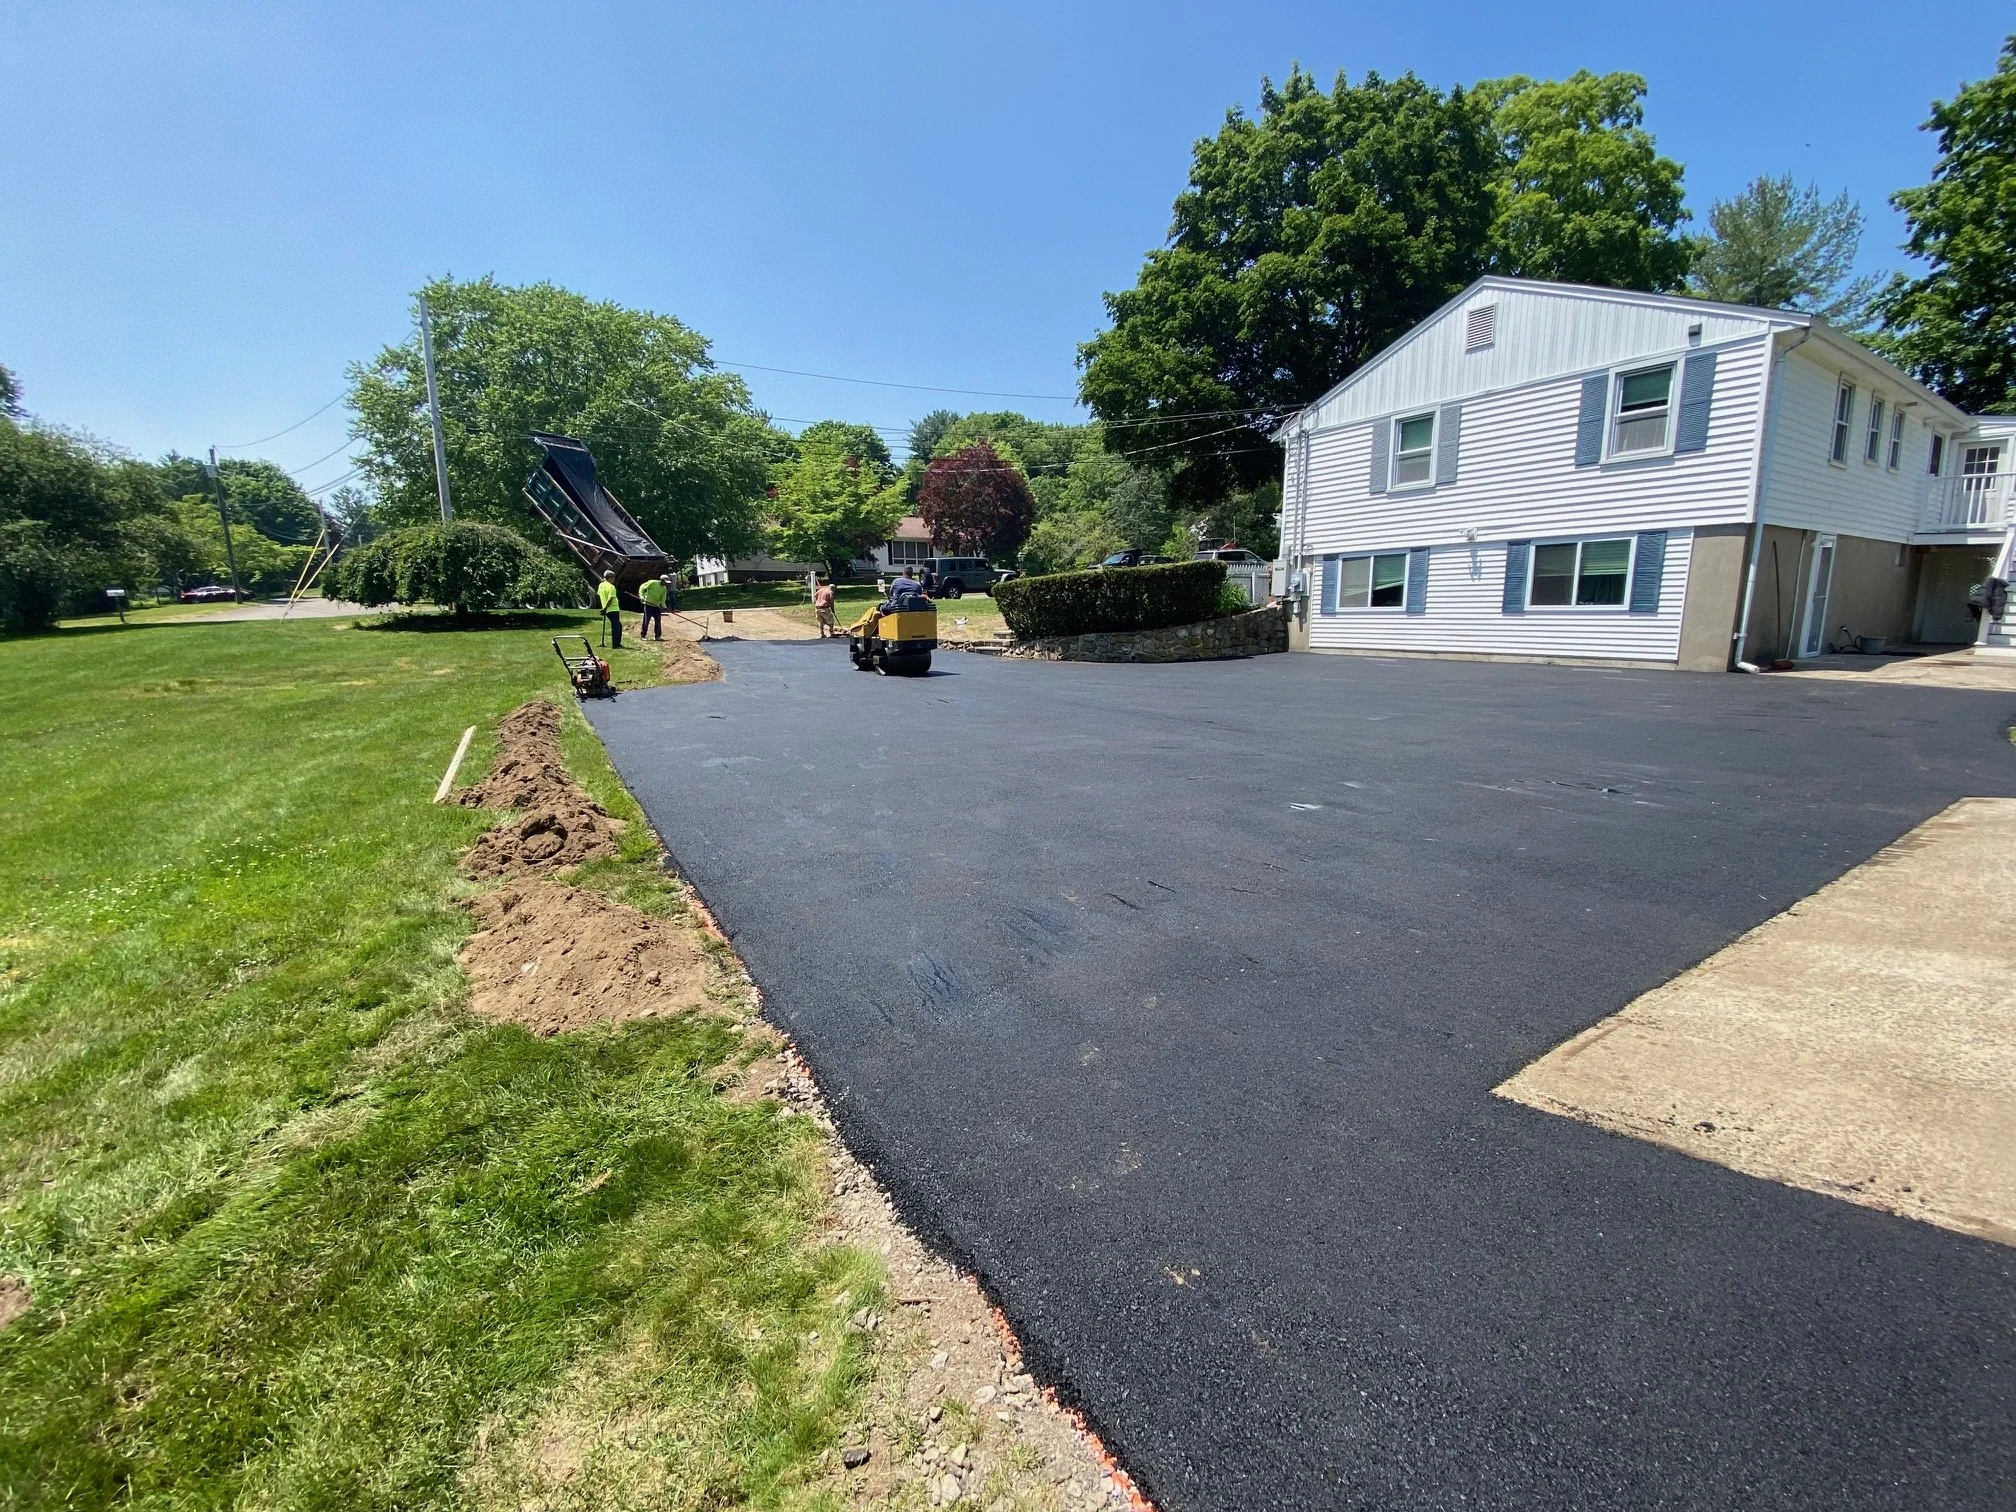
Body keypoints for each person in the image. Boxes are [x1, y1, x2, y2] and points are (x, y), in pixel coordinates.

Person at [637, 572, 667, 641]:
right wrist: (641, 596)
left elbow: (663, 599)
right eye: (665, 582)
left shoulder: (664, 588)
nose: (665, 583)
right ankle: (643, 635)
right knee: (646, 620)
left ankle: (657, 636)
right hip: (648, 605)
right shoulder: (652, 582)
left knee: (658, 621)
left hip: (656, 606)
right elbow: (642, 587)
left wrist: (664, 606)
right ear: (661, 580)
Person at [597, 571, 622, 647]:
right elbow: (610, 598)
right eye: (613, 577)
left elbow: (600, 594)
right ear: (610, 578)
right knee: (616, 627)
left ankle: (616, 643)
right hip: (613, 609)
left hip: (607, 609)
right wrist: (605, 608)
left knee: (617, 626)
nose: (614, 579)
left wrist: (604, 607)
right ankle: (615, 644)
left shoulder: (601, 585)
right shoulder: (611, 587)